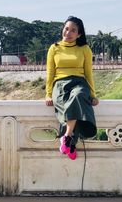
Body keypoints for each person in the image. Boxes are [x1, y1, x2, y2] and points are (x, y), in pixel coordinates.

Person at [45, 16, 99, 160]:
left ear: (79, 34)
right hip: (60, 84)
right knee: (67, 106)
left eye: (73, 30)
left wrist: (93, 95)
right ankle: (72, 145)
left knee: (78, 97)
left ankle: (67, 137)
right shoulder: (54, 48)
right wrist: (48, 94)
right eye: (66, 29)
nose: (68, 33)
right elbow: (50, 73)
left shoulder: (84, 49)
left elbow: (89, 72)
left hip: (79, 83)